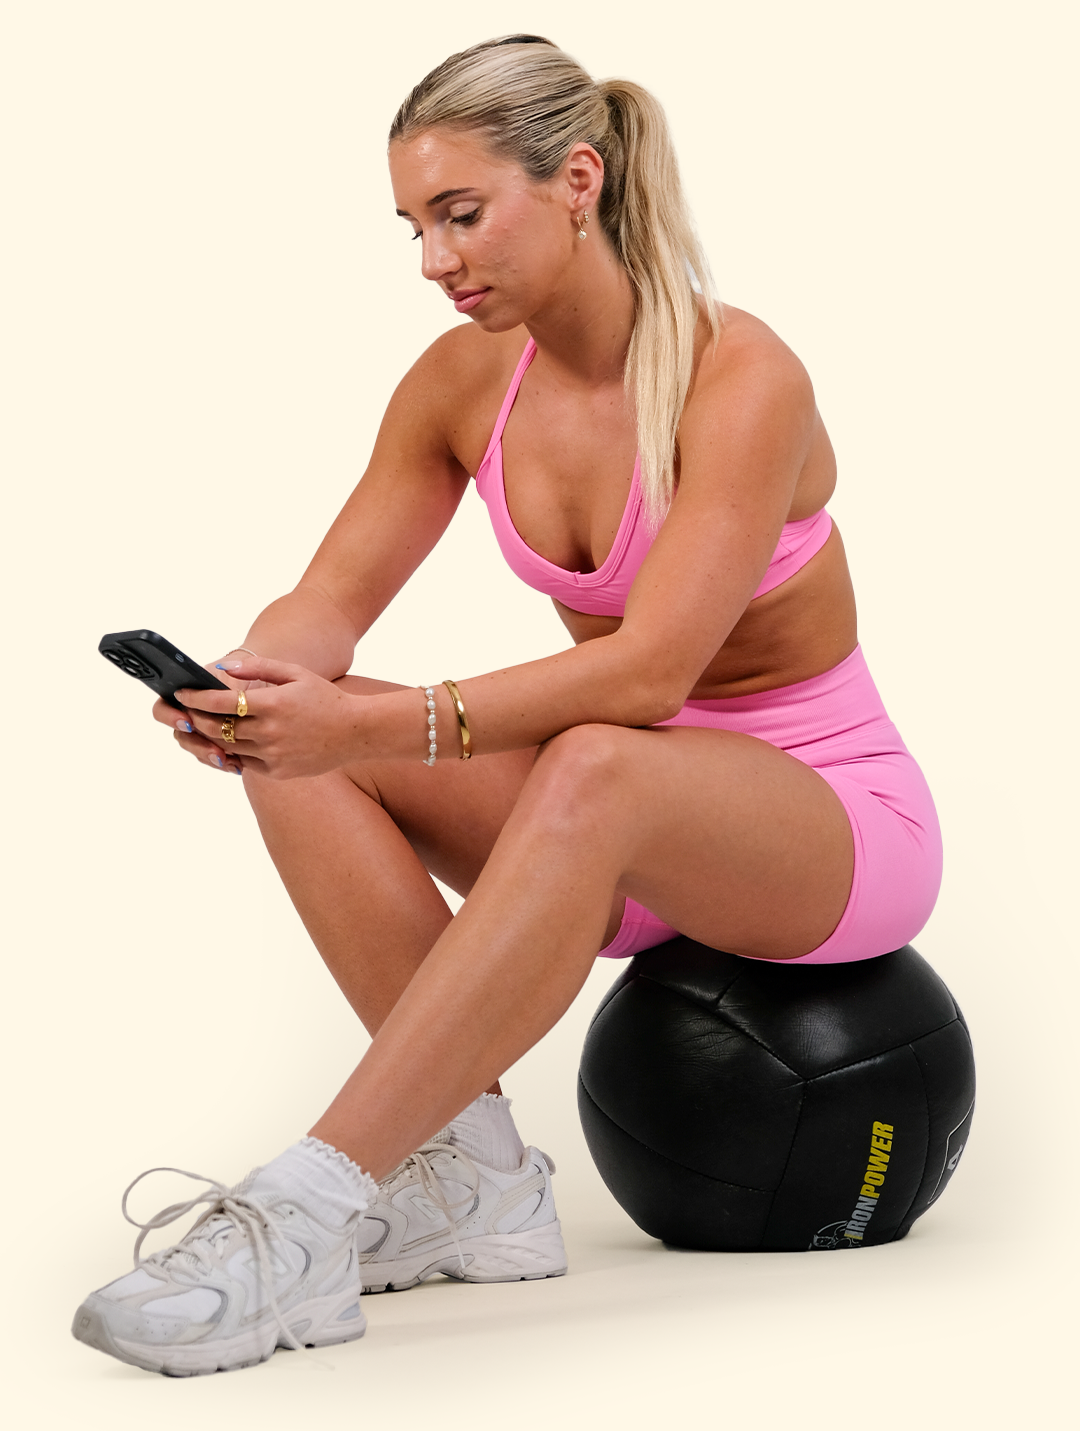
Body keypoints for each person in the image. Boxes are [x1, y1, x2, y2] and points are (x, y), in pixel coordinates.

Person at [72, 34, 942, 1376]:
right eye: (415, 226)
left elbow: (651, 675)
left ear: (578, 179)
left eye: (461, 214)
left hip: (826, 821)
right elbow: (330, 603)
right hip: (615, 816)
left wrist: (380, 720)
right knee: (313, 741)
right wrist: (260, 683)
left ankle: (306, 1210)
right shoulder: (462, 384)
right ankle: (473, 1180)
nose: (434, 257)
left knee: (586, 754)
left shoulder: (738, 376)